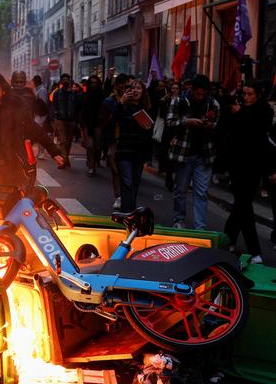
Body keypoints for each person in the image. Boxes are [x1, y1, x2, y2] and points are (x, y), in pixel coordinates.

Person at [0, 25, 64, 184]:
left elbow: (34, 129)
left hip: (8, 168)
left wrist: (54, 151)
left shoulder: (14, 107)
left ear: (3, 91)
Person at [224, 81, 273, 264]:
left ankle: (227, 238)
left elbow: (259, 134)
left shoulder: (264, 112)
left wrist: (240, 113)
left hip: (254, 168)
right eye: (244, 93)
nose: (246, 97)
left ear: (258, 95)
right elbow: (230, 134)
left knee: (241, 206)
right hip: (237, 167)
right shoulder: (239, 113)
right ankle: (254, 251)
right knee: (244, 207)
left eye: (250, 94)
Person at [167, 74, 220, 230]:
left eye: (204, 94)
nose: (200, 97)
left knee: (202, 192)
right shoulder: (179, 101)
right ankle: (179, 219)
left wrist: (210, 125)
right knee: (180, 190)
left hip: (204, 154)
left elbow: (218, 125)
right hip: (183, 153)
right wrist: (187, 122)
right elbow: (170, 122)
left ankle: (200, 226)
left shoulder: (213, 104)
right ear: (192, 89)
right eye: (198, 93)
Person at [112, 79, 154, 212]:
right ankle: (127, 211)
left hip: (139, 151)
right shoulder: (123, 106)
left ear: (143, 92)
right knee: (127, 181)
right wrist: (121, 102)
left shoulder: (147, 109)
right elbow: (113, 119)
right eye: (132, 89)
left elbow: (149, 133)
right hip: (124, 149)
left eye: (138, 89)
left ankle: (131, 210)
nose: (135, 91)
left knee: (135, 183)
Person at [101, 73, 130, 209]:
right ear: (117, 86)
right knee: (116, 169)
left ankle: (128, 196)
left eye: (127, 87)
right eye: (122, 86)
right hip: (114, 138)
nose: (125, 89)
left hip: (129, 139)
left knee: (128, 171)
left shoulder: (134, 100)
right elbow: (106, 122)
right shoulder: (109, 101)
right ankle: (118, 196)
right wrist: (120, 104)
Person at [50, 73, 81, 167]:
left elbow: (77, 107)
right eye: (63, 79)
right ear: (61, 81)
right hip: (60, 119)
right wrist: (54, 118)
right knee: (62, 141)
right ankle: (64, 160)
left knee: (68, 141)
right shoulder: (57, 93)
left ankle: (65, 157)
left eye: (67, 79)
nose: (65, 81)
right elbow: (54, 106)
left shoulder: (74, 93)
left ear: (69, 80)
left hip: (71, 120)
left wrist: (77, 120)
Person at [81, 75, 105, 177]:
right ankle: (91, 166)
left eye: (96, 83)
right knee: (90, 146)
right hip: (88, 123)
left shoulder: (102, 96)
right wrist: (81, 123)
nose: (94, 85)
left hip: (99, 124)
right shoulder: (86, 95)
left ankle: (95, 161)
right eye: (92, 83)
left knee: (98, 146)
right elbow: (82, 110)